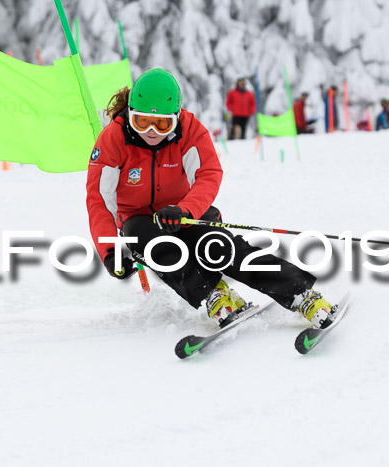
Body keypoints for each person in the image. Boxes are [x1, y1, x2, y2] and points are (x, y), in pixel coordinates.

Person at [86, 68, 338, 331]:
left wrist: (185, 209)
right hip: (139, 221)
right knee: (156, 245)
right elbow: (99, 200)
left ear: (176, 117)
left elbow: (208, 174)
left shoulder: (189, 130)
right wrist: (110, 251)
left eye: (162, 124)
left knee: (219, 248)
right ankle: (213, 296)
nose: (151, 131)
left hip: (184, 211)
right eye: (142, 122)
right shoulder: (113, 139)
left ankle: (300, 294)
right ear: (130, 114)